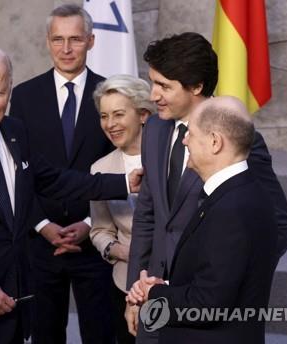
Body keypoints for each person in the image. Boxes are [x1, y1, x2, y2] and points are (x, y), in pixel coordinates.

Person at [0, 45, 139, 344]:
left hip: (17, 306)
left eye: (0, 91)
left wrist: (124, 182)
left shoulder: (15, 131)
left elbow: (55, 180)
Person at [126, 32, 287, 342]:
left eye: (164, 86)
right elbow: (148, 215)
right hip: (154, 299)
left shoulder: (240, 138)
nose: (153, 95)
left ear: (197, 87)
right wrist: (134, 294)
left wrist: (239, 287)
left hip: (210, 316)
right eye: (152, 83)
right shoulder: (155, 129)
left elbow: (277, 221)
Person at [9, 4, 116, 343]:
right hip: (42, 243)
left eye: (75, 39)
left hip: (96, 241)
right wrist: (42, 226)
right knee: (44, 335)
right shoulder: (24, 96)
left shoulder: (112, 95)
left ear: (91, 41)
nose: (66, 49)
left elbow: (118, 163)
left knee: (100, 334)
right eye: (58, 39)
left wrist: (89, 223)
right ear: (47, 41)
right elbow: (18, 168)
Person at [89, 74, 156, 344]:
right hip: (124, 284)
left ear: (142, 114)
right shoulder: (100, 169)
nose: (110, 124)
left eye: (118, 114)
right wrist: (119, 250)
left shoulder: (171, 159)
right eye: (104, 116)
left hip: (170, 283)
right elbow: (99, 229)